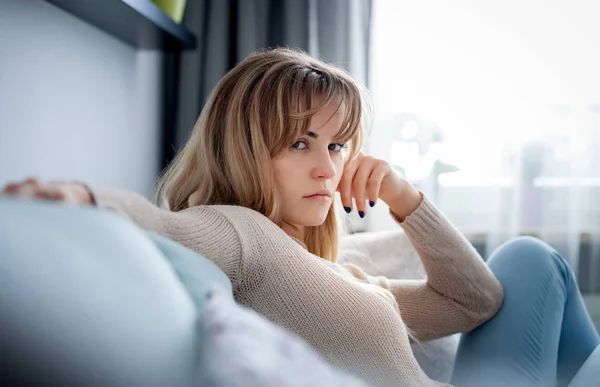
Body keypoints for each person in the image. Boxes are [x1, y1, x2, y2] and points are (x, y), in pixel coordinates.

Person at [2, 48, 598, 387]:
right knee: (531, 256)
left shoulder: (335, 273)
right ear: (243, 148)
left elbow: (476, 303)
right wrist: (81, 196)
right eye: (299, 143)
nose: (326, 169)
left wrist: (406, 199)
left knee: (526, 258)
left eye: (337, 146)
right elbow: (166, 226)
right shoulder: (243, 232)